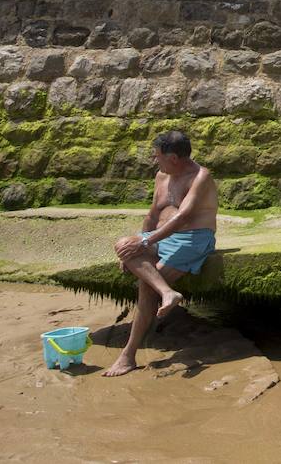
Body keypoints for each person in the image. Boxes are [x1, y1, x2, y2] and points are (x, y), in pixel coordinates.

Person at [103, 130, 218, 377]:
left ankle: (128, 356)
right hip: (161, 238)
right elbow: (153, 215)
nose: (155, 161)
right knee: (123, 244)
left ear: (174, 158)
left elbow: (183, 215)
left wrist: (144, 246)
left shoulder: (200, 176)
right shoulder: (161, 176)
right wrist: (137, 243)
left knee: (146, 286)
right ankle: (168, 293)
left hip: (193, 239)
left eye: (158, 156)